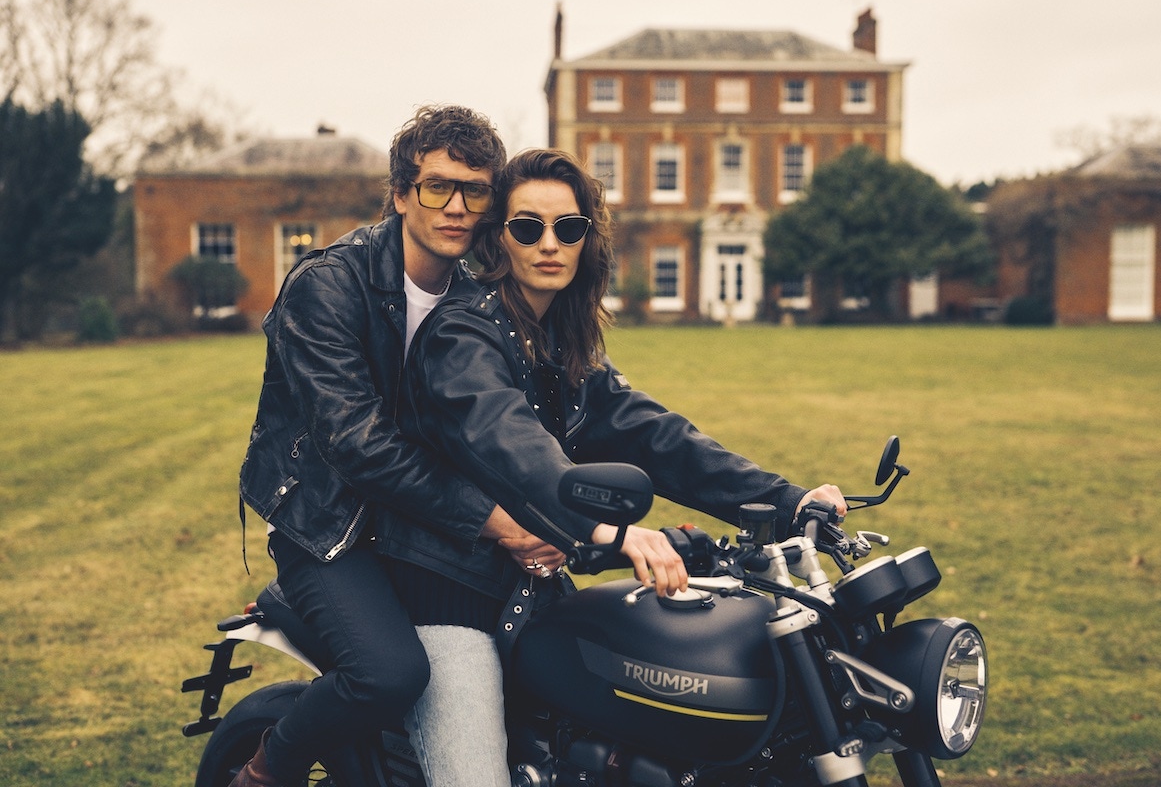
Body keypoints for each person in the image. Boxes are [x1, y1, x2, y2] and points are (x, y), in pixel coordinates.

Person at [385, 148, 848, 783]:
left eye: (568, 227)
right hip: (444, 589)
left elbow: (659, 438)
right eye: (528, 227)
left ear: (586, 240)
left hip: (527, 584)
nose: (550, 243)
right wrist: (612, 531)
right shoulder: (462, 336)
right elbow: (513, 444)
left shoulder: (559, 342)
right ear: (499, 241)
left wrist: (790, 500)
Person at [231, 105, 553, 787]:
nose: (457, 207)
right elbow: (360, 446)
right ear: (402, 193)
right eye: (438, 186)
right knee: (389, 673)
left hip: (416, 525)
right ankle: (268, 767)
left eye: (475, 190)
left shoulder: (477, 296)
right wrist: (503, 527)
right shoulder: (328, 285)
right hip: (327, 523)